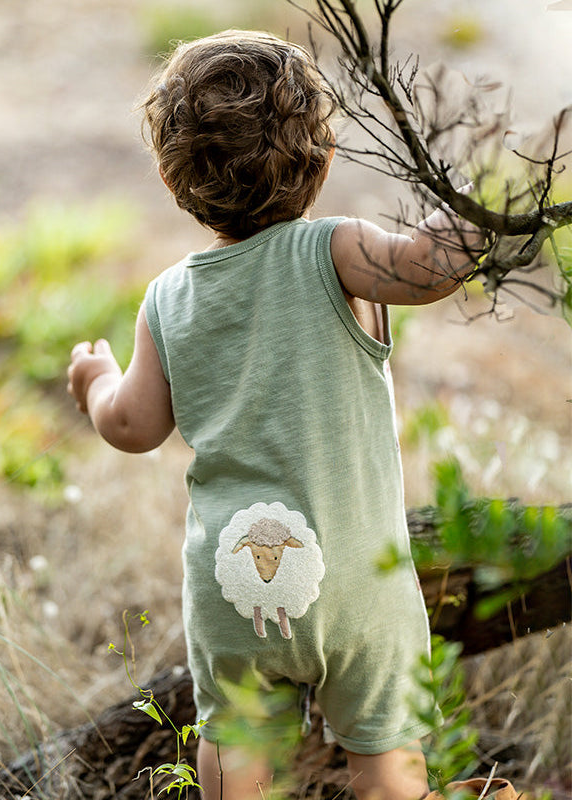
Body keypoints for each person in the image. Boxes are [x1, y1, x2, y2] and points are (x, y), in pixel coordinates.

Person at [67, 30, 484, 800]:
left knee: (238, 750)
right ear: (320, 158)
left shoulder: (169, 298)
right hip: (360, 587)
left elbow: (132, 427)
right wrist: (471, 199)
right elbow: (433, 269)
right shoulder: (336, 251)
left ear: (173, 176)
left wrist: (96, 377)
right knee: (390, 758)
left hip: (236, 588)